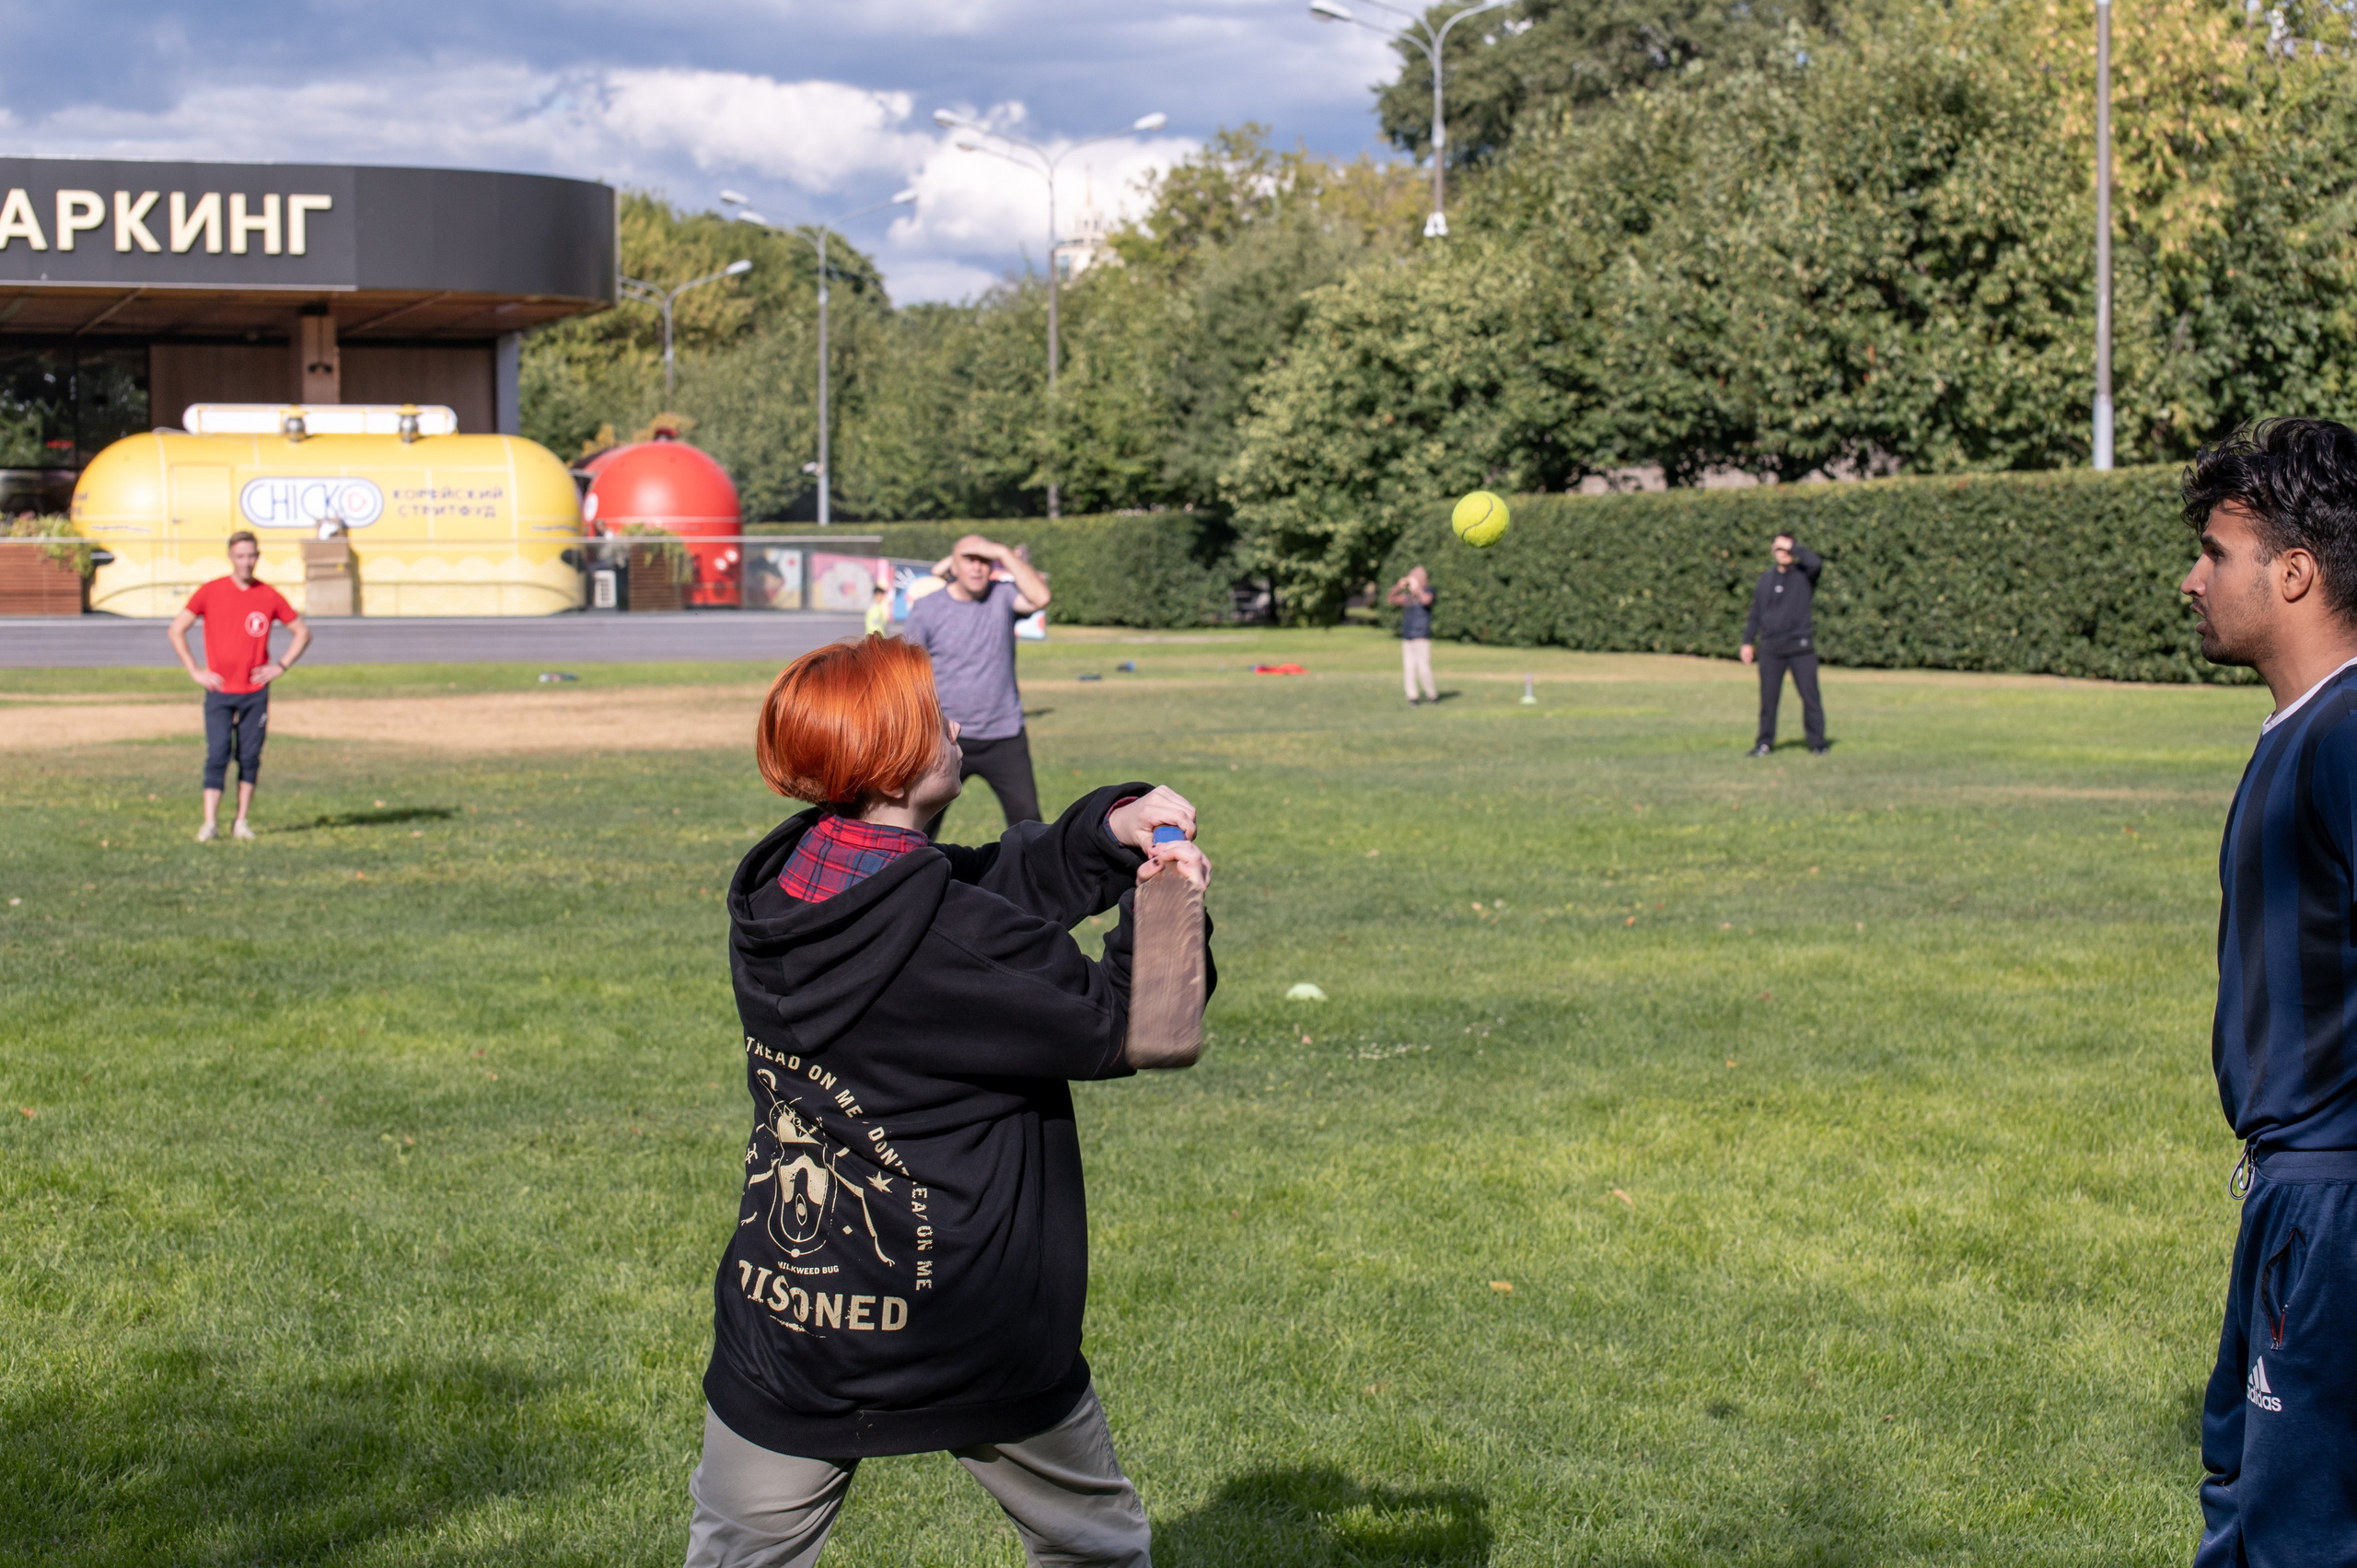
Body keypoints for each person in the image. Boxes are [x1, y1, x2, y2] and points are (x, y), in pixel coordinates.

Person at [688, 634, 1213, 1568]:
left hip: (789, 1316)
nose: (959, 726)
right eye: (936, 719)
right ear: (894, 756)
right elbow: (1137, 1026)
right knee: (1093, 1545)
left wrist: (1100, 829)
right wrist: (1165, 896)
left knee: (739, 1554)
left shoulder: (788, 884)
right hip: (967, 1322)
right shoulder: (948, 937)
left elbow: (969, 889)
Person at [2179, 417, 2357, 1568]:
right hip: (2289, 1189)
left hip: (2333, 1200)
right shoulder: (2300, 727)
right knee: (2243, 1487)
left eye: (2214, 551)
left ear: (2292, 571)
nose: (2191, 579)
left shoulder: (2346, 738)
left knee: (2293, 1536)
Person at [166, 530, 311, 842]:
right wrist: (195, 670)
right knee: (217, 754)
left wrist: (280, 666)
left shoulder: (269, 596)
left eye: (252, 556)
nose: (247, 562)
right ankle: (210, 823)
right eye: (241, 556)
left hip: (254, 693)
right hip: (219, 691)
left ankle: (241, 822)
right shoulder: (210, 592)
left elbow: (302, 632)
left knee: (249, 756)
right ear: (231, 557)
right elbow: (177, 629)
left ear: (258, 557)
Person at [903, 534, 1052, 834]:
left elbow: (1041, 598)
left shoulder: (1003, 595)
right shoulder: (928, 608)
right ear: (952, 567)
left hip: (1004, 735)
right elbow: (907, 670)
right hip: (945, 736)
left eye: (984, 561)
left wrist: (1000, 551)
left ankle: (1034, 882)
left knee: (1029, 823)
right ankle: (913, 879)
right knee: (918, 827)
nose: (977, 567)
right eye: (969, 559)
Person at [1739, 531, 1827, 756]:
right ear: (1772, 552)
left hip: (1800, 648)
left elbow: (1816, 562)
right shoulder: (1765, 580)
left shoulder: (1804, 575)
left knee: (1810, 698)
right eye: (1779, 549)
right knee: (1768, 700)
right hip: (1771, 649)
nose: (1784, 554)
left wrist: (1794, 547)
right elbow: (1756, 613)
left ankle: (1817, 743)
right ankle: (1764, 743)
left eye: (1787, 550)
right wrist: (1747, 642)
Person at [1388, 564, 1438, 705]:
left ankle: (1432, 695)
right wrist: (1399, 586)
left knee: (1424, 668)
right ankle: (1412, 697)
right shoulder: (1408, 597)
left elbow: (1426, 600)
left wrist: (1417, 588)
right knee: (1409, 669)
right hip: (1407, 637)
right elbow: (1391, 598)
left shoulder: (1428, 591)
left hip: (1421, 637)